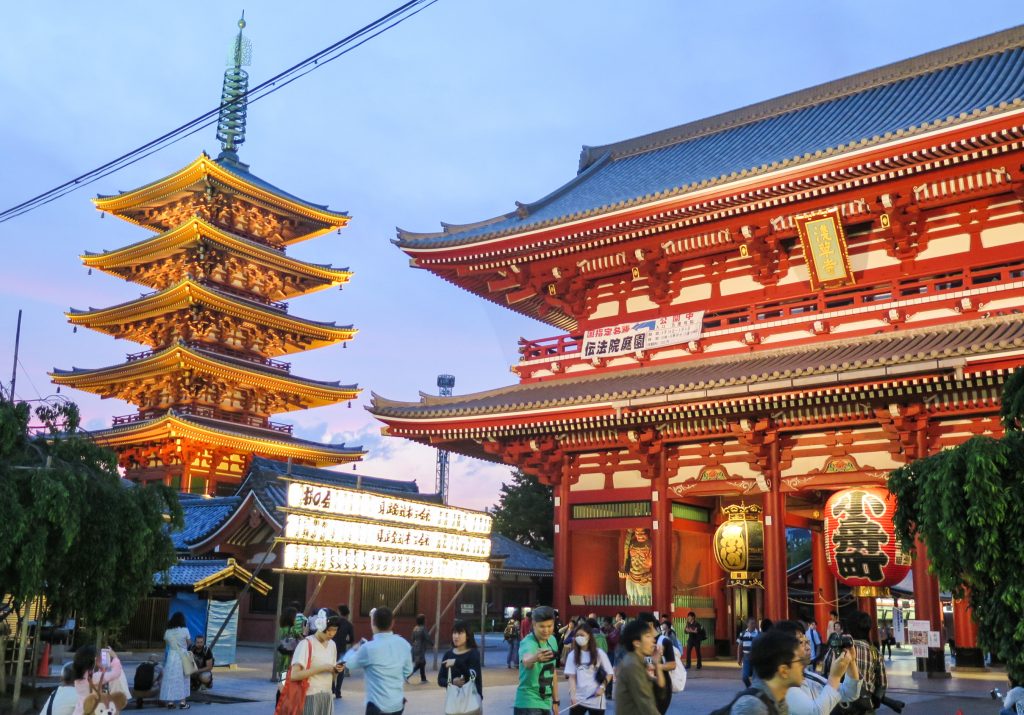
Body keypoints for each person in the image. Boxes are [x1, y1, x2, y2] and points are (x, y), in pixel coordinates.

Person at [772, 620, 860, 715]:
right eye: (801, 642)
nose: (808, 647)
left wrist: (851, 661)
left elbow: (849, 693)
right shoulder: (784, 684)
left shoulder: (808, 676)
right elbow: (814, 712)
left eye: (807, 642)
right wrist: (835, 676)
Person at [343, 607, 413, 715]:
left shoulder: (368, 648)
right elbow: (408, 671)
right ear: (392, 623)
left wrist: (354, 649)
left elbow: (348, 663)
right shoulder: (404, 644)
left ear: (374, 623)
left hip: (377, 706)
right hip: (397, 704)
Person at [728, 629, 805, 715]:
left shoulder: (780, 701)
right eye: (799, 661)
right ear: (783, 671)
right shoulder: (753, 707)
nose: (802, 666)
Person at [288, 609, 345, 715]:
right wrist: (321, 668)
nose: (332, 633)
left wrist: (336, 671)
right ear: (320, 625)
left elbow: (331, 679)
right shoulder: (306, 644)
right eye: (329, 630)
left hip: (327, 696)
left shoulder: (332, 645)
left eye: (335, 630)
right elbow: (294, 675)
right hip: (309, 696)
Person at [612, 618, 665, 715]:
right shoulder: (632, 665)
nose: (653, 640)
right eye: (648, 636)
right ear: (637, 643)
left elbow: (660, 689)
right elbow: (645, 702)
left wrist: (657, 663)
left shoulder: (638, 661)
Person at [515, 604, 560, 715]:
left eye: (550, 626)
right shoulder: (528, 642)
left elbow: (553, 671)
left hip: (545, 702)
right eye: (542, 626)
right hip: (528, 702)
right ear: (534, 625)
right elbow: (526, 661)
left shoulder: (553, 640)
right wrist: (535, 658)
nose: (546, 630)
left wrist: (555, 700)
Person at [565, 623, 613, 715]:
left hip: (596, 699)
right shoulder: (572, 655)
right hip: (578, 699)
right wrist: (573, 696)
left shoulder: (599, 653)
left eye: (582, 635)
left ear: (589, 636)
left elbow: (609, 673)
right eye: (577, 635)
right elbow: (572, 677)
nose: (579, 637)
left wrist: (602, 687)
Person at [639, 612, 676, 714]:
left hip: (662, 686)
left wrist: (656, 666)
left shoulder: (664, 641)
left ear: (650, 624)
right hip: (644, 685)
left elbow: (672, 664)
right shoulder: (640, 642)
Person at [71, 645, 125, 715]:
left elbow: (96, 677)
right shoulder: (95, 677)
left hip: (79, 710)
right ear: (94, 660)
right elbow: (116, 673)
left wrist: (100, 668)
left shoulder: (78, 677)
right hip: (93, 710)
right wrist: (115, 657)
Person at [438, 619, 483, 701]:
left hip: (471, 701)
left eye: (460, 633)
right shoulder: (448, 654)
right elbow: (440, 680)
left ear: (468, 635)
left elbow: (473, 677)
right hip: (453, 701)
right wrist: (452, 682)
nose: (456, 636)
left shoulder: (473, 653)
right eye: (454, 633)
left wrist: (456, 662)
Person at [159, 611, 191, 709]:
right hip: (183, 656)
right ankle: (183, 703)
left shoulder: (168, 632)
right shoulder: (185, 630)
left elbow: (167, 642)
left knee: (171, 678)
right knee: (183, 678)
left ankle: (170, 702)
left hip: (172, 656)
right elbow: (189, 642)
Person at [332, 604, 355, 699]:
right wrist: (346, 641)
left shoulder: (334, 621)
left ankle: (332, 687)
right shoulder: (349, 625)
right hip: (342, 648)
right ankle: (338, 692)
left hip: (331, 648)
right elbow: (352, 639)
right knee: (340, 671)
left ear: (339, 612)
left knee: (331, 668)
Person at [277, 606, 305, 677]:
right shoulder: (292, 630)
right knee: (287, 674)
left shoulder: (282, 628)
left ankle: (281, 685)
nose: (296, 619)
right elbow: (302, 639)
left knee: (282, 674)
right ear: (291, 618)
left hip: (282, 653)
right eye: (295, 617)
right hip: (290, 655)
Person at [409, 613, 432, 684]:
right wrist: (432, 644)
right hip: (421, 648)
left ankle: (423, 679)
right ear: (423, 621)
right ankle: (407, 675)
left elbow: (412, 638)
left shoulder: (415, 628)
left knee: (421, 663)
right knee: (419, 664)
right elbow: (427, 637)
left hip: (415, 647)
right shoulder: (423, 628)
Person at [737, 618, 760, 688]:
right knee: (744, 677)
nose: (753, 625)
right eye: (751, 623)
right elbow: (740, 646)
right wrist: (739, 658)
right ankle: (749, 688)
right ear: (747, 624)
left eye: (754, 623)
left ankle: (753, 690)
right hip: (746, 657)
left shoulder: (759, 634)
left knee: (755, 677)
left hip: (756, 658)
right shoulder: (742, 633)